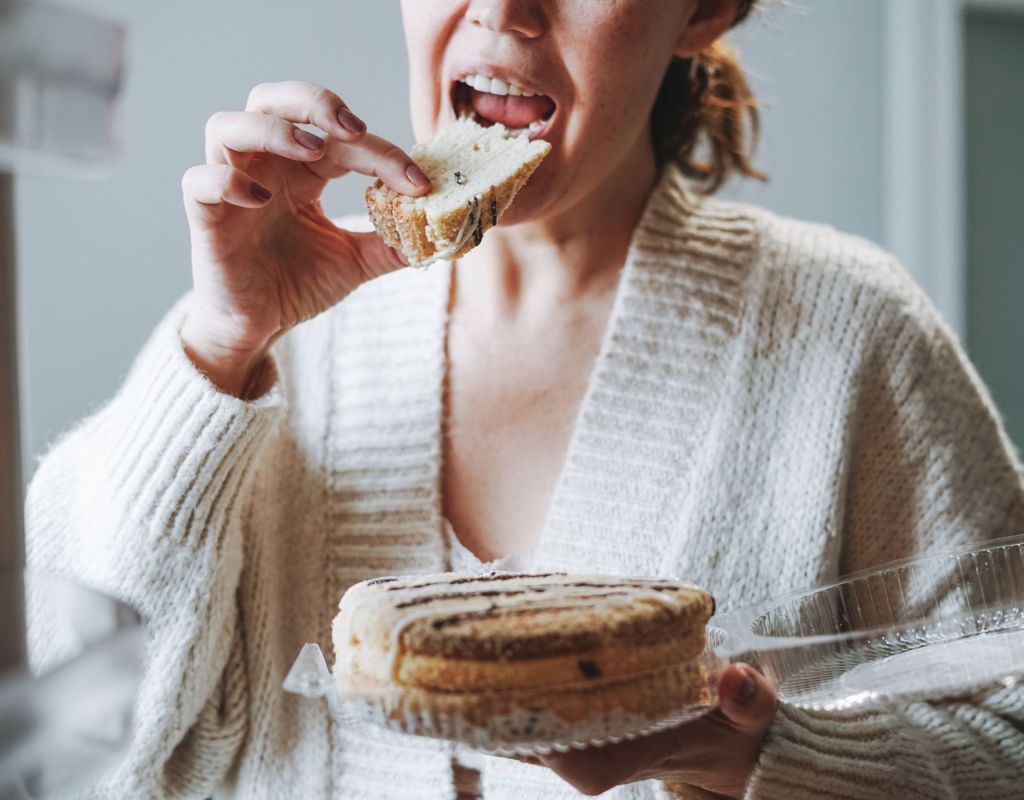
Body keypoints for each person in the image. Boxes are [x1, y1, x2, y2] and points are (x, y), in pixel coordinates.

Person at [24, 1, 1024, 798]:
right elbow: (70, 749)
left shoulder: (852, 334)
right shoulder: (259, 343)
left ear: (705, 12)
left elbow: (1005, 742)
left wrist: (751, 753)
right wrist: (221, 341)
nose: (503, 10)